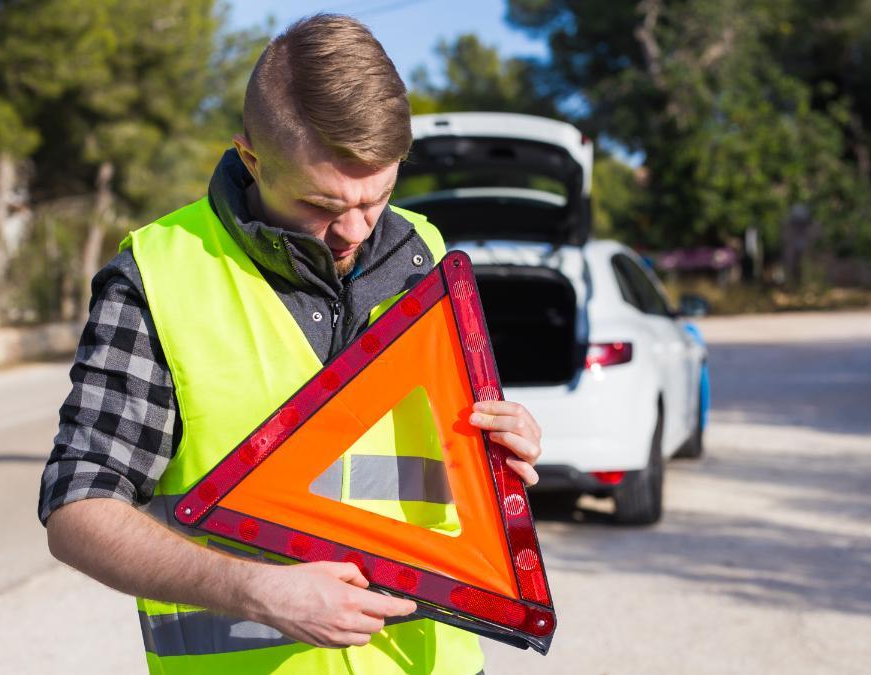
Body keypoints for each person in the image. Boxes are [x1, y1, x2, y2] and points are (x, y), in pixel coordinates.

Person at [38, 13, 544, 674]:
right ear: (251, 157)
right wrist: (254, 588)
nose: (356, 229)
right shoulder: (162, 276)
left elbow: (433, 472)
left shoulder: (428, 253)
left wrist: (502, 447)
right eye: (323, 204)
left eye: (379, 196)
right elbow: (79, 506)